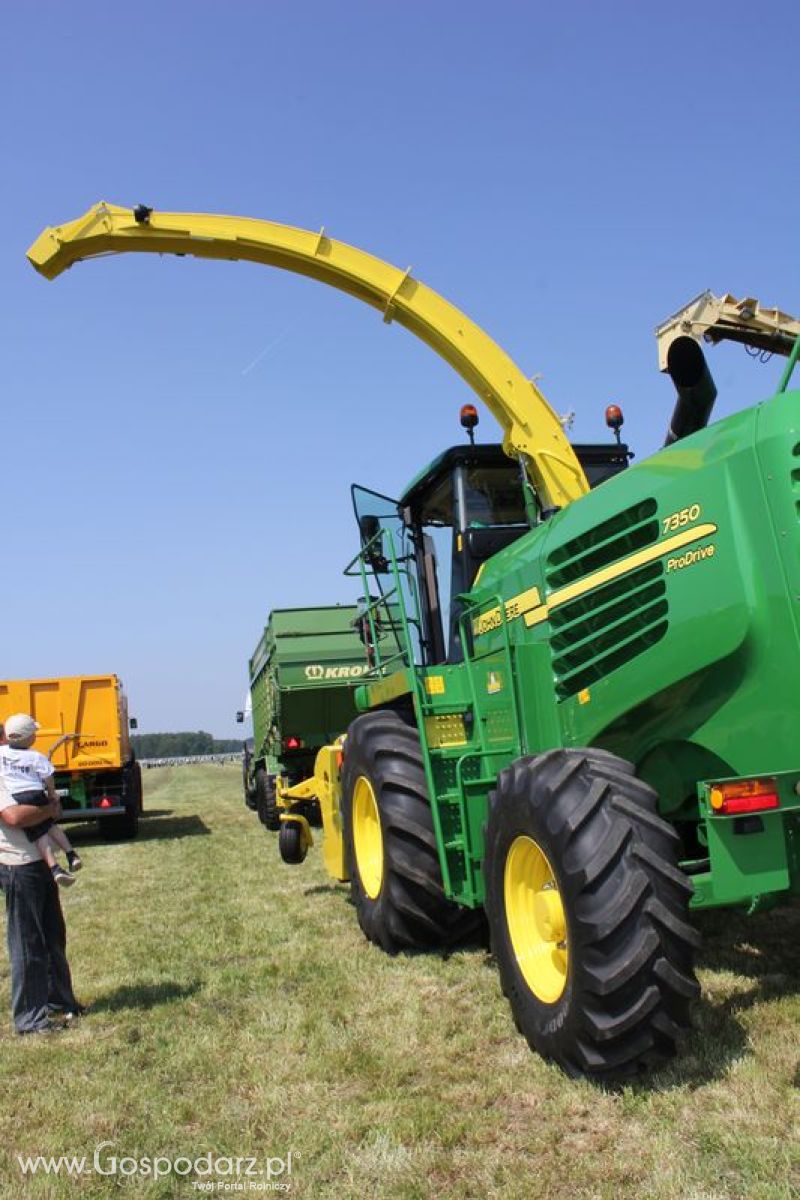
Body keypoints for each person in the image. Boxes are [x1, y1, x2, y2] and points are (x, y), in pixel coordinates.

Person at [0, 722, 84, 1034]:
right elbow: (14, 817)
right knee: (27, 943)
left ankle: (60, 1002)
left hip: (39, 864)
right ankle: (29, 1020)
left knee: (53, 936)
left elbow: (44, 800)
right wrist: (49, 808)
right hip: (18, 866)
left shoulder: (16, 764)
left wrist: (48, 806)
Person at [0, 713, 82, 887]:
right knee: (50, 825)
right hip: (36, 794)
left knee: (39, 833)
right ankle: (71, 853)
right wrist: (52, 793)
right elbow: (49, 776)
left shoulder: (1, 752)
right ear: (30, 738)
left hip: (17, 796)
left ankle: (54, 867)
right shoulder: (36, 756)